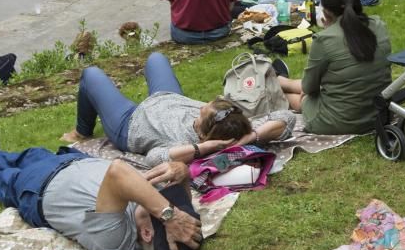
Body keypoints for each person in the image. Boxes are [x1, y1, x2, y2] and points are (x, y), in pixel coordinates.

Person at [0, 119, 204, 250]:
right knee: (33, 153)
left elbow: (118, 172)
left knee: (3, 176)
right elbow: (180, 196)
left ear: (147, 234)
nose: (166, 202)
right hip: (73, 162)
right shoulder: (152, 211)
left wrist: (170, 215)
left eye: (167, 210)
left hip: (37, 187)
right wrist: (181, 170)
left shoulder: (116, 239)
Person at [60, 53, 292, 169]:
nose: (200, 108)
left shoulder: (183, 144)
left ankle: (82, 131)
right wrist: (250, 137)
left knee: (91, 75)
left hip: (129, 123)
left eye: (202, 115)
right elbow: (288, 118)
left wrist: (199, 149)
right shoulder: (235, 122)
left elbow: (153, 158)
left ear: (203, 135)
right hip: (167, 97)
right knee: (156, 57)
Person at [277, 0, 392, 134]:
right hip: (379, 113)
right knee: (311, 87)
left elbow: (309, 88)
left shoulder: (325, 39)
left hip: (339, 121)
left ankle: (277, 84)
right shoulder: (378, 24)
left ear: (325, 6)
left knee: (296, 98)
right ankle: (280, 81)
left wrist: (329, 30)